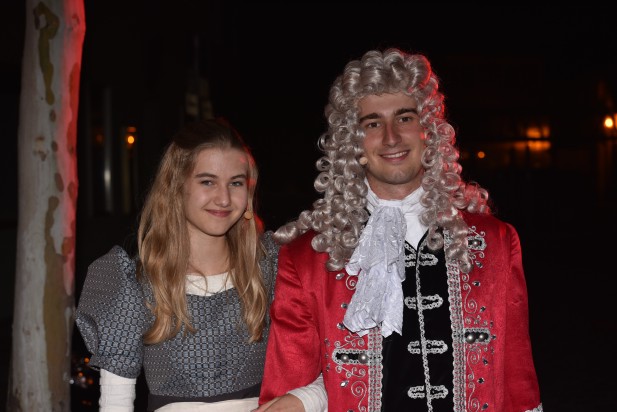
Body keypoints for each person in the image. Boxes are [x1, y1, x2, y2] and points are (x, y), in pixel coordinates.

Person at [257, 48, 543, 412]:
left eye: (404, 118)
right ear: (354, 143)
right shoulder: (308, 258)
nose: (391, 137)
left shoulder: (495, 242)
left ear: (428, 132)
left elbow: (518, 379)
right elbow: (288, 390)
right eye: (372, 124)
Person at [75, 118, 280, 412]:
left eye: (235, 183)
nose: (223, 198)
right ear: (176, 186)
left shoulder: (272, 268)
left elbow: (324, 367)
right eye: (207, 181)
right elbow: (116, 405)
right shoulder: (134, 283)